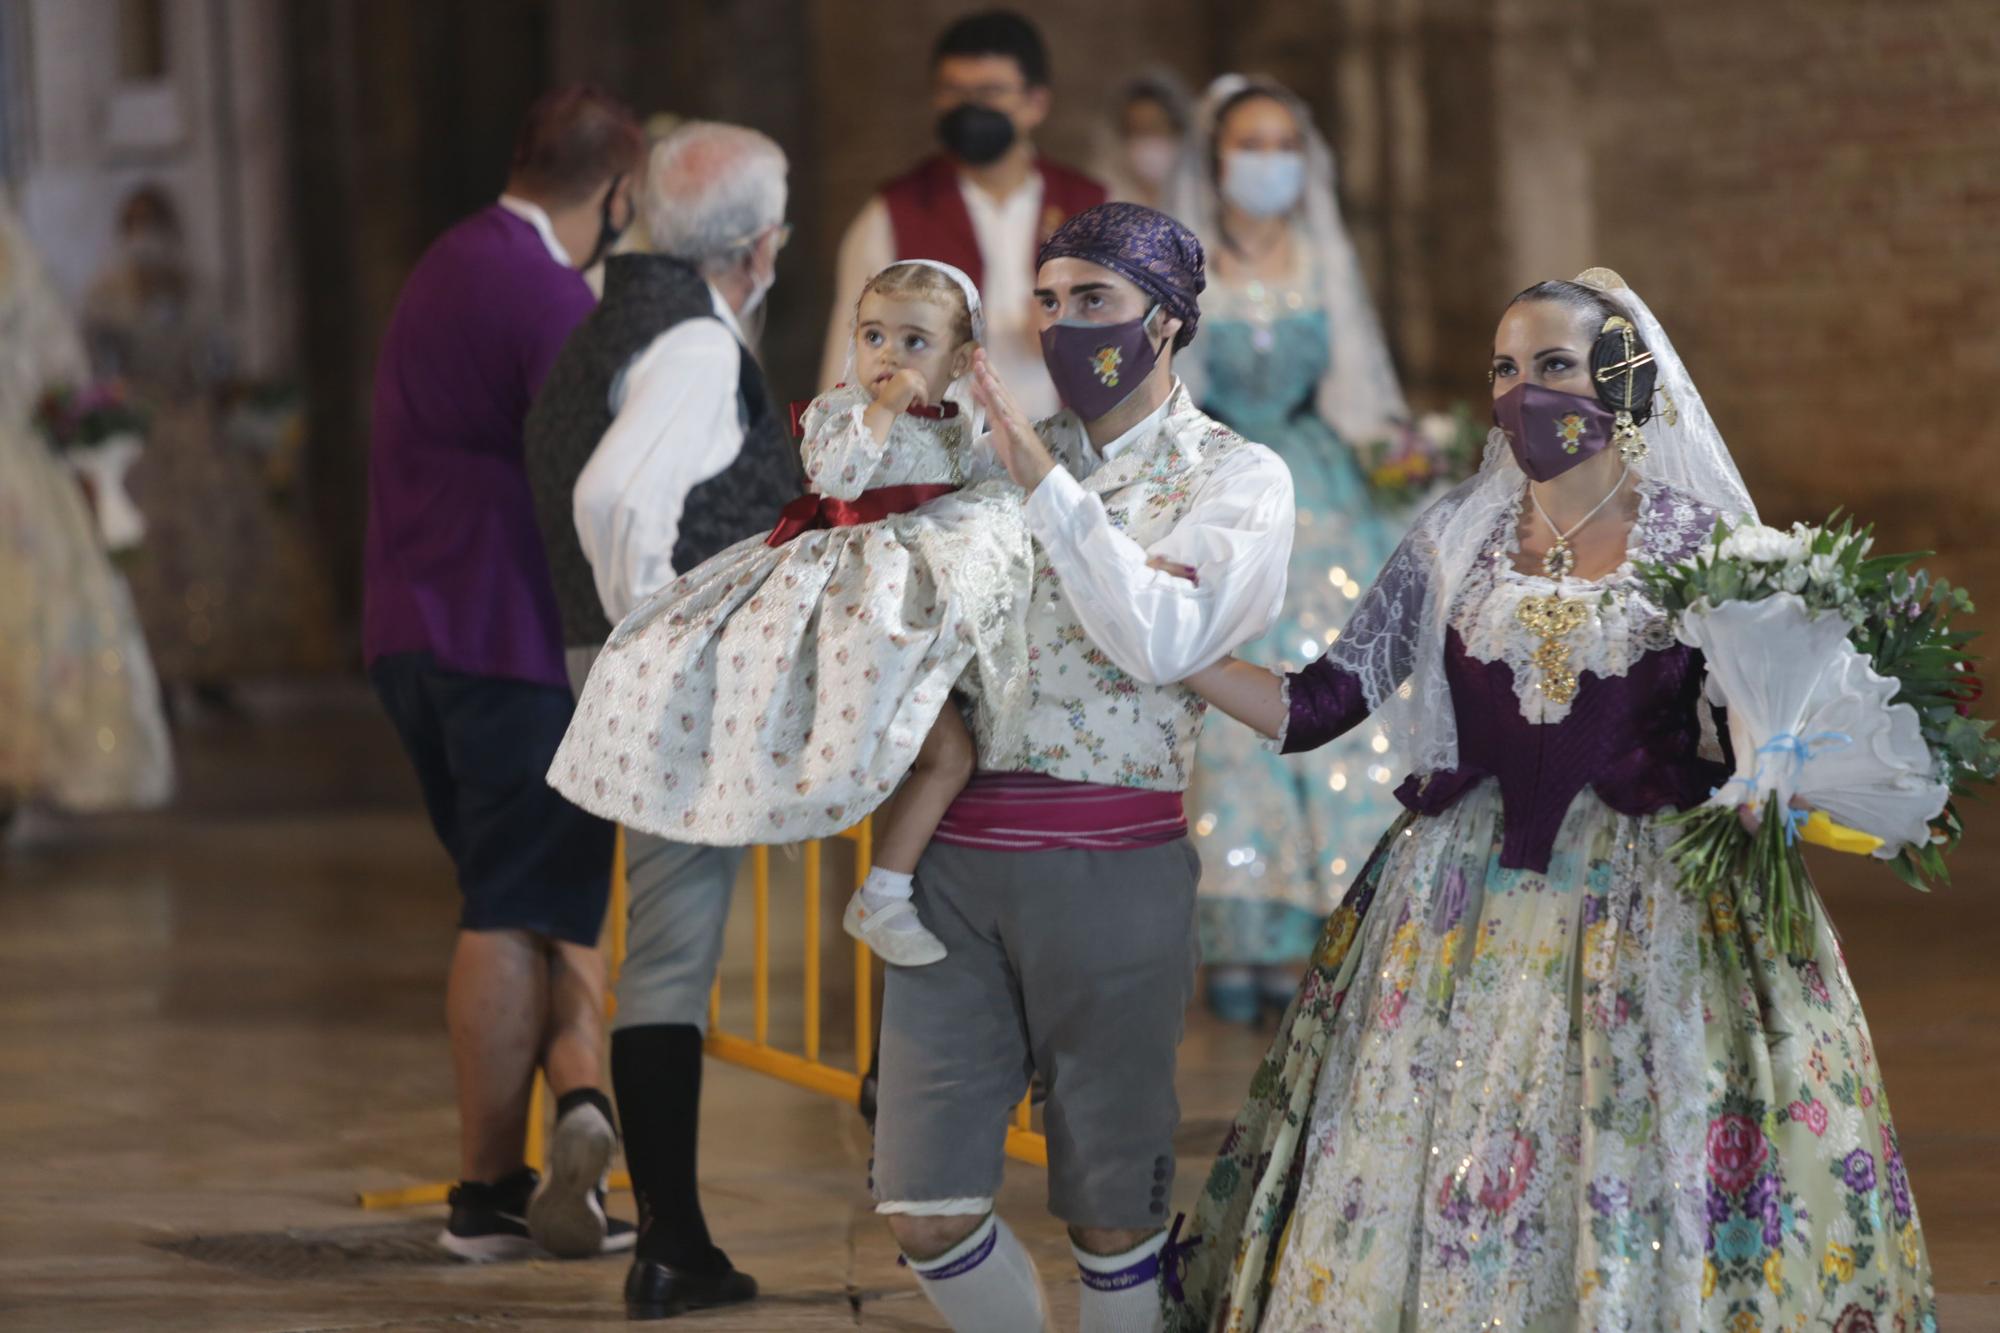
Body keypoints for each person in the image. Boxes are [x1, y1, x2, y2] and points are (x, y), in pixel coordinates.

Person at [1164, 270, 1937, 1330]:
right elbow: (1318, 703)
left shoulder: (1706, 547)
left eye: (1553, 366)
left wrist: (1770, 781)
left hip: (1656, 901)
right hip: (1456, 898)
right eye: (1504, 368)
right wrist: (1168, 648)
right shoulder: (1451, 536)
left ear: (1619, 381)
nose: (1522, 391)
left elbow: (1765, 717)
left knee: (1632, 1133)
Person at [868, 202, 1295, 1333]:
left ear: (1164, 320)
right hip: (950, 866)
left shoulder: (1237, 479)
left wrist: (1046, 493)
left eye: (1092, 302)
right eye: (1046, 302)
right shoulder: (987, 457)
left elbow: (1162, 638)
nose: (1062, 325)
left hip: (1113, 863)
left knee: (1111, 1211)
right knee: (920, 1202)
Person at [552, 259, 1033, 971]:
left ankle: (888, 887)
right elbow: (836, 477)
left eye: (914, 342)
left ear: (961, 359)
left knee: (951, 752)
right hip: (857, 609)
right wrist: (885, 407)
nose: (889, 357)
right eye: (874, 335)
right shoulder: (841, 412)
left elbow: (989, 491)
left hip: (921, 608)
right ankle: (882, 887)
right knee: (922, 748)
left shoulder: (959, 426)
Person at [362, 84, 643, 1264]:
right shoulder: (544, 297)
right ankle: (484, 1193)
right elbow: (604, 480)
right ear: (619, 192)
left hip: (413, 627)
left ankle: (575, 1109)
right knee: (515, 905)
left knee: (528, 896)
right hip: (508, 638)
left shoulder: (450, 259)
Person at [525, 120, 799, 1320]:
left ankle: (675, 1240)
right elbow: (615, 495)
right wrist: (657, 636)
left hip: (631, 670)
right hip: (674, 679)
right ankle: (673, 1246)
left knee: (667, 952)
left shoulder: (610, 321)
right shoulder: (689, 341)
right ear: (755, 244)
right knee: (674, 958)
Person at [1163, 75, 1413, 1025]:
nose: (1268, 161)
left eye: (1283, 143)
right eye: (1249, 143)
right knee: (1233, 687)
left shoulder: (1319, 252)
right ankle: (1243, 932)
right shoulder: (1188, 259)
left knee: (1339, 679)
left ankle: (1336, 916)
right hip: (1222, 474)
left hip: (1316, 480)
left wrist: (1397, 453)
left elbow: (1355, 376)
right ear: (1215, 156)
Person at [84, 184, 336, 708]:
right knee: (150, 556)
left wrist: (242, 405)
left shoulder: (196, 291)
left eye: (152, 223)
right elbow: (99, 372)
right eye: (135, 225)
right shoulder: (106, 296)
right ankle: (157, 673)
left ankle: (212, 670)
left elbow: (221, 360)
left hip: (196, 431)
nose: (145, 238)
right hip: (142, 438)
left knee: (208, 551)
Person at [818, 9, 1107, 419]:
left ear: (1035, 103)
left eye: (990, 93)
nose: (970, 109)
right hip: (936, 463)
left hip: (1072, 455)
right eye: (953, 92)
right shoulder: (894, 215)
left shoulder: (1090, 206)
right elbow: (845, 365)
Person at [0, 195, 173, 823]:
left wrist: (82, 427)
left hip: (18, 458)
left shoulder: (11, 245)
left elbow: (57, 359)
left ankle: (17, 771)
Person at [1094, 70, 1192, 211]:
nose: (1146, 139)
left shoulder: (1200, 199)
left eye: (1155, 127)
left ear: (1176, 130)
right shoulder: (1105, 200)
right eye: (1136, 130)